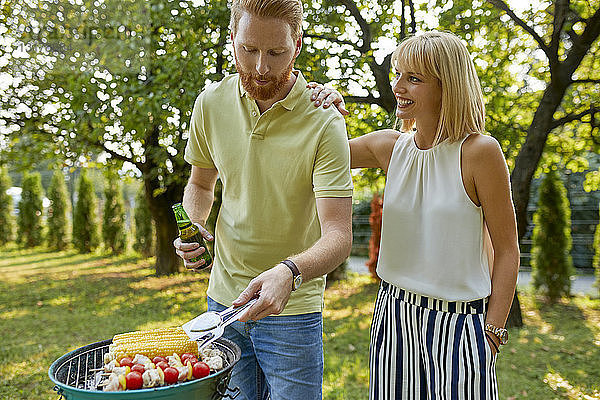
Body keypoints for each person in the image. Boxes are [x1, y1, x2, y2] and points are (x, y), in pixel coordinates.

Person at [309, 31, 520, 399]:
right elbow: (309, 157)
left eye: (414, 78)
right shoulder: (388, 147)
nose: (398, 87)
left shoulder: (479, 153)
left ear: (447, 86)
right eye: (398, 74)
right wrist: (321, 106)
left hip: (460, 324)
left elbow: (508, 250)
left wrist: (492, 333)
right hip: (393, 316)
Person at [172, 1, 353, 399]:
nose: (260, 68)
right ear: (232, 40)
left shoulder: (325, 121)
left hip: (292, 309)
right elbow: (201, 184)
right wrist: (193, 222)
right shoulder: (210, 104)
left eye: (276, 53)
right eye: (248, 50)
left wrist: (289, 272)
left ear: (298, 45)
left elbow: (339, 235)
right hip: (222, 303)